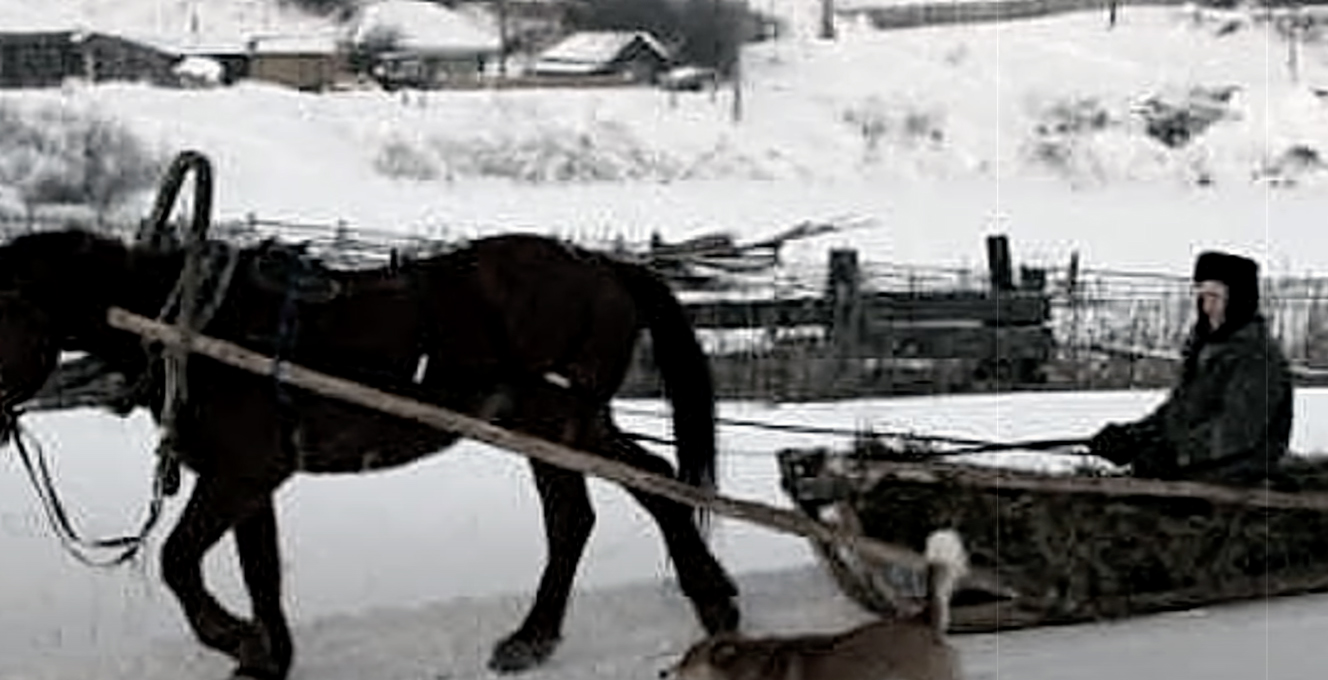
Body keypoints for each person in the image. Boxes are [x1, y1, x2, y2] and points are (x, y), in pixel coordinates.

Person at [1088, 250, 1294, 487]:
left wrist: (1175, 454)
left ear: (1239, 299)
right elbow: (1179, 412)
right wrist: (1132, 436)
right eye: (1202, 296)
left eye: (1215, 297)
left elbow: (1236, 432)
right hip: (1199, 463)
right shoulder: (1205, 346)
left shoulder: (1257, 357)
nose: (1206, 307)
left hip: (1240, 470)